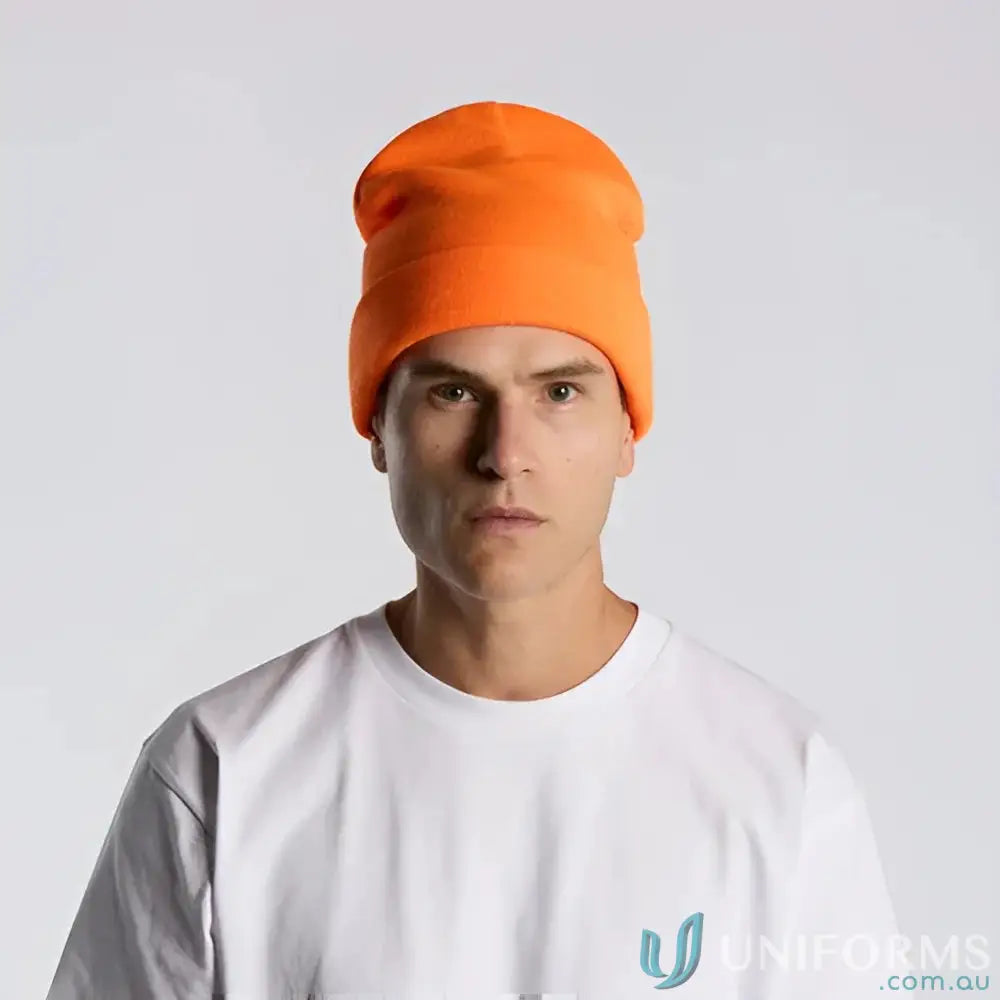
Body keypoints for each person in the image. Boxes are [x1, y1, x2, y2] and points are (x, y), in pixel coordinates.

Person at [44, 100, 907, 999]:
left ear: (627, 430)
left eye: (560, 392)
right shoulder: (226, 769)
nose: (504, 453)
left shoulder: (780, 782)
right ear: (378, 429)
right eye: (453, 392)